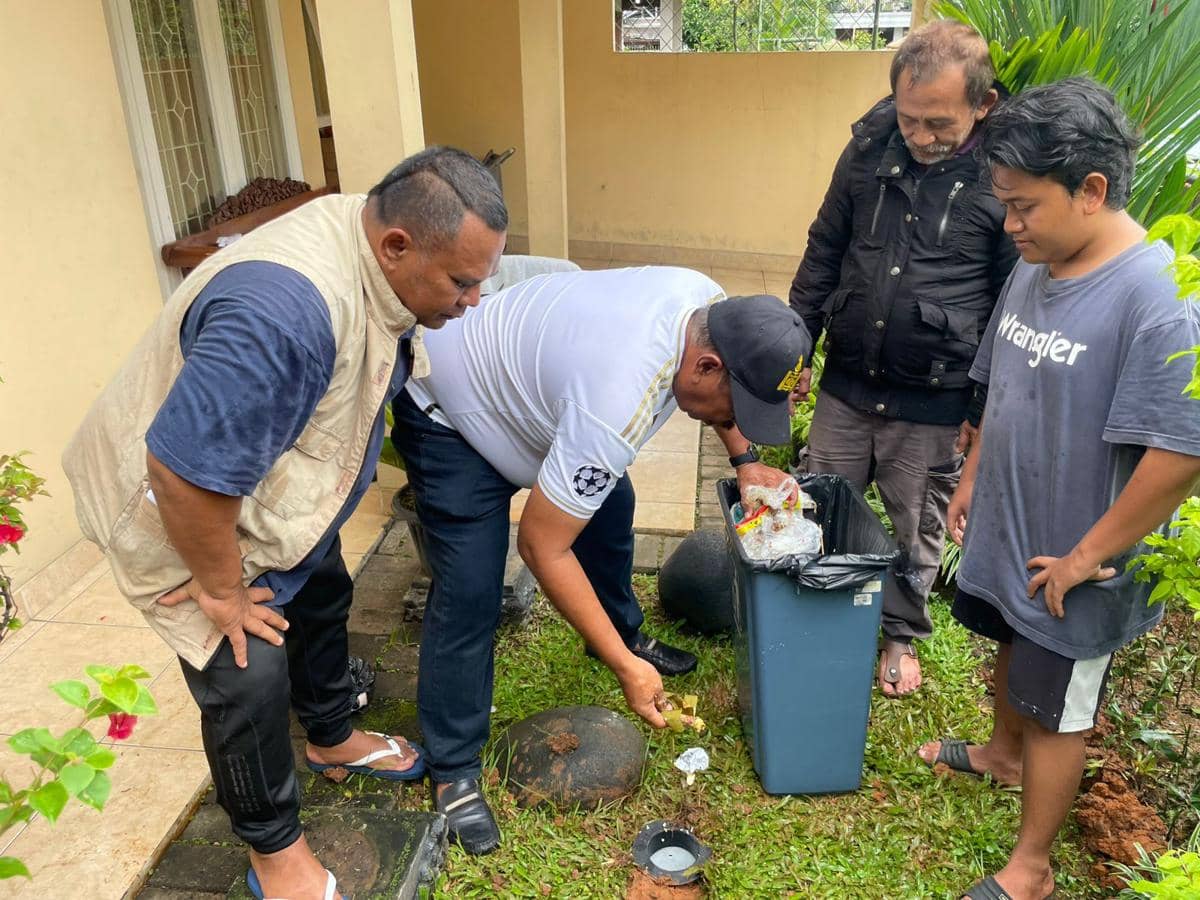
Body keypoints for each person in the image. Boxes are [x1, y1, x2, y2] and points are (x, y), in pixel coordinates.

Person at [62, 147, 507, 900]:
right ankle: (274, 851)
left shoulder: (367, 239)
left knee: (321, 585)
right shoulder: (287, 315)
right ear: (396, 246)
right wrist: (223, 588)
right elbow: (180, 472)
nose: (472, 301)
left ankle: (332, 735)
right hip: (172, 502)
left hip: (257, 479)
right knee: (243, 663)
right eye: (462, 281)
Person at [390, 268, 812, 854]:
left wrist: (744, 460)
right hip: (452, 413)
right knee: (471, 588)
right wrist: (626, 672)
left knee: (612, 507)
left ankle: (617, 632)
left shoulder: (709, 308)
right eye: (736, 406)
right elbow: (542, 545)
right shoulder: (617, 401)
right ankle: (453, 767)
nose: (733, 417)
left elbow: (718, 400)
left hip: (539, 401)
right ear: (705, 368)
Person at [917, 78, 1200, 900]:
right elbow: (1000, 383)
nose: (1010, 225)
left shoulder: (1156, 301)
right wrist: (971, 480)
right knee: (1012, 645)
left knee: (1057, 705)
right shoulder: (1040, 263)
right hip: (1016, 523)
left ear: (1092, 191)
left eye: (1024, 205)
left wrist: (1084, 557)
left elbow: (1181, 454)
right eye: (1003, 203)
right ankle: (1002, 757)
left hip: (1081, 556)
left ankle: (1031, 868)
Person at [785, 19, 1018, 697]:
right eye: (909, 118)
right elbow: (826, 244)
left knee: (916, 523)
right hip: (848, 379)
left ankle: (899, 635)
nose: (918, 136)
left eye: (937, 123)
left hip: (937, 391)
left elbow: (1010, 298)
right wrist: (800, 342)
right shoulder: (866, 149)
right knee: (820, 500)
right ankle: (817, 608)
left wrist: (981, 405)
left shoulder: (1003, 176)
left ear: (983, 105)